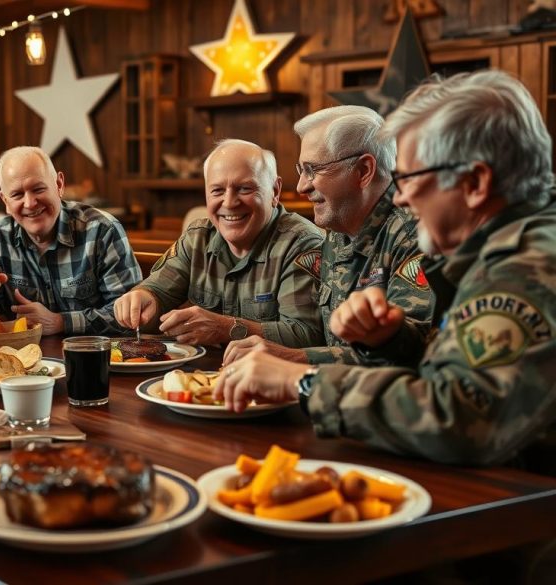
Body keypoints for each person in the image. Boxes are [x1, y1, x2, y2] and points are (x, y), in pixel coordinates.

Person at [215, 70, 556, 473]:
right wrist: (393, 341)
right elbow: (459, 370)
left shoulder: (525, 267)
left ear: (475, 182)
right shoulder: (503, 247)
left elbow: (462, 417)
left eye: (410, 177)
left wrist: (302, 383)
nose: (402, 195)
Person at [223, 106, 434, 366]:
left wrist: (294, 358)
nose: (301, 186)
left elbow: (407, 355)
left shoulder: (417, 234)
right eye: (301, 170)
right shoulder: (338, 230)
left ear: (364, 170)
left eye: (313, 170)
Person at [114, 139, 324, 348]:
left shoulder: (301, 243)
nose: (229, 202)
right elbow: (156, 295)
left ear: (275, 191)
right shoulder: (197, 237)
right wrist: (142, 300)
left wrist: (226, 329)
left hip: (272, 378)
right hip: (200, 376)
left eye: (244, 188)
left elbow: (305, 335)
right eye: (217, 191)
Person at [0, 146, 141, 335]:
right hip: (25, 360)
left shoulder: (102, 230)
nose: (30, 203)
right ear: (5, 202)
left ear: (59, 185)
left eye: (38, 189)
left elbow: (132, 316)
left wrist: (61, 322)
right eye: (17, 195)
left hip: (94, 358)